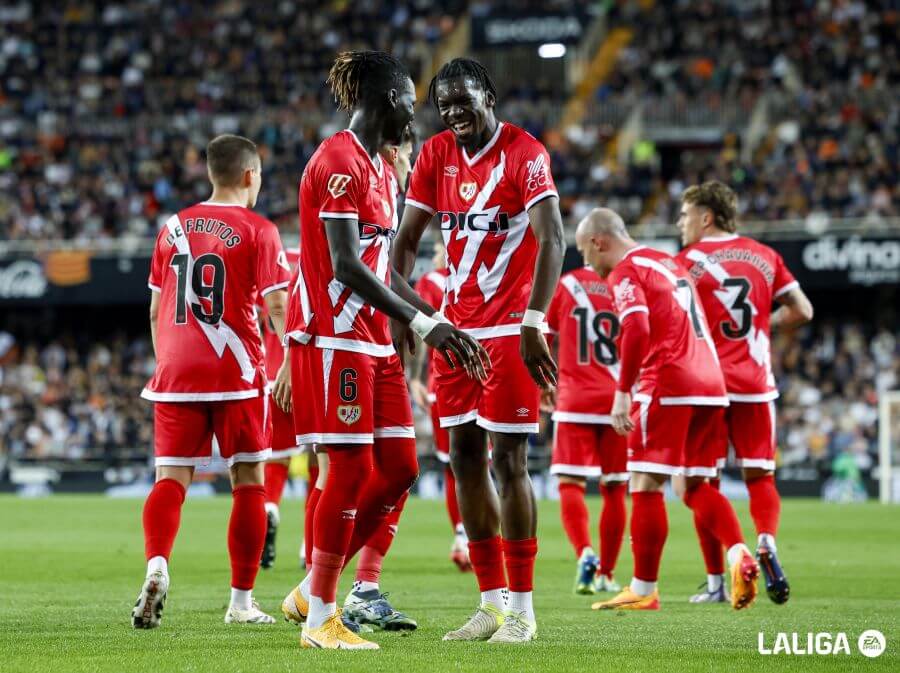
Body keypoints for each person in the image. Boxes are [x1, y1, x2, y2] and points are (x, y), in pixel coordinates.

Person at [274, 51, 488, 650]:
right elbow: (345, 266)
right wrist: (427, 325)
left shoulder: (377, 169)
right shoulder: (338, 160)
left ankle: (311, 588)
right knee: (347, 469)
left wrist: (430, 317)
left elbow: (380, 270)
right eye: (413, 107)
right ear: (392, 98)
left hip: (374, 343)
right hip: (335, 338)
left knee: (398, 468)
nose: (417, 121)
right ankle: (321, 620)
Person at [392, 58, 565, 643]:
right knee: (463, 459)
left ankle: (522, 609)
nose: (455, 114)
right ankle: (490, 602)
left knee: (510, 463)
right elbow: (405, 243)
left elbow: (554, 239)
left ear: (489, 95)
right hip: (453, 331)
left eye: (464, 101)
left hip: (508, 328)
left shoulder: (526, 153)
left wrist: (535, 320)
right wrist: (410, 313)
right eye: (445, 106)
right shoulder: (436, 154)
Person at [132, 134, 291, 628]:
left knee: (171, 479)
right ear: (249, 176)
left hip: (175, 373)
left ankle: (157, 565)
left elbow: (158, 309)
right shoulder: (260, 229)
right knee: (248, 481)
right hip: (238, 373)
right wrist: (286, 359)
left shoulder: (172, 227)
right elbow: (278, 305)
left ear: (210, 173)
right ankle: (241, 604)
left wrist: (171, 363)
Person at [575, 208, 760, 613]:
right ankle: (739, 553)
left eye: (585, 255)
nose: (587, 266)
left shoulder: (626, 271)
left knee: (644, 482)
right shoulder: (668, 261)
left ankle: (643, 589)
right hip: (710, 382)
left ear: (598, 242)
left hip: (668, 381)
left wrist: (623, 391)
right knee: (693, 486)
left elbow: (638, 328)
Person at [675, 181, 813, 604]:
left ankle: (725, 572)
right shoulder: (765, 255)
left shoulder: (685, 262)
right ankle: (766, 541)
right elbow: (803, 310)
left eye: (685, 215)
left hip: (707, 383)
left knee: (696, 485)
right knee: (760, 476)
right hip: (755, 381)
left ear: (705, 217)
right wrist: (761, 328)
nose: (681, 224)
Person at [545, 264, 627, 595]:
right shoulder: (628, 284)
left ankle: (585, 552)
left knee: (570, 483)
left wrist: (544, 383)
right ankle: (607, 573)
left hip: (575, 397)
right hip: (619, 399)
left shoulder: (567, 284)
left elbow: (542, 333)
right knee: (615, 487)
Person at [410, 240, 471, 571]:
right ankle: (483, 538)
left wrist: (417, 378)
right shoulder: (479, 276)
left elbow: (423, 333)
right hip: (483, 377)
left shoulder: (432, 282)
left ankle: (463, 536)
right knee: (489, 464)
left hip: (444, 383)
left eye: (435, 250)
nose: (434, 256)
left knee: (454, 465)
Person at [260, 248, 306, 570]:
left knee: (276, 459)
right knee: (321, 463)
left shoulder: (267, 267)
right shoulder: (315, 259)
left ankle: (271, 507)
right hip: (308, 372)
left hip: (271, 375)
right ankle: (310, 546)